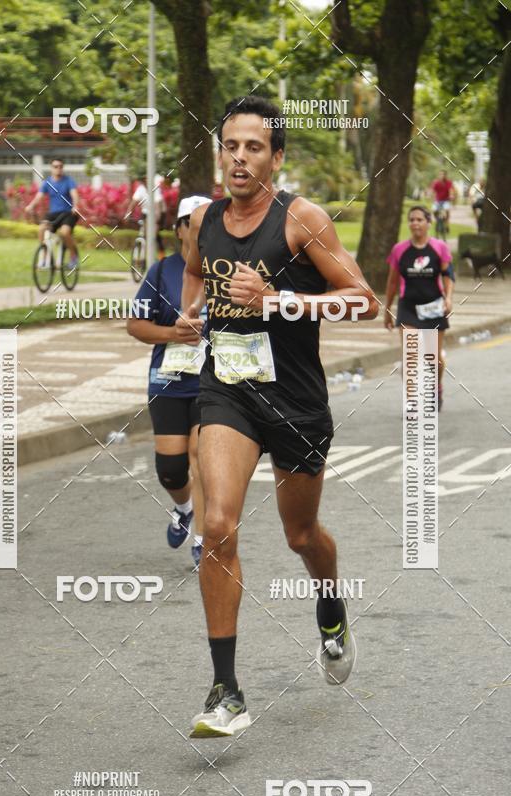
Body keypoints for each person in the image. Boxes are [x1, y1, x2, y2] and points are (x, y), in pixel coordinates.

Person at [176, 95, 378, 738]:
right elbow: (194, 275)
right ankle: (225, 689)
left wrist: (280, 299)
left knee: (300, 536)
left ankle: (329, 605)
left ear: (276, 157)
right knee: (217, 523)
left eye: (254, 147)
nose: (239, 157)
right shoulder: (204, 220)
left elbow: (364, 303)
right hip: (227, 392)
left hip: (293, 400)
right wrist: (187, 319)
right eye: (230, 146)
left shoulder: (303, 220)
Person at [127, 196, 210, 567]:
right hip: (169, 381)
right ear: (179, 230)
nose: (202, 230)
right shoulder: (162, 272)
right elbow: (135, 326)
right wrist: (173, 333)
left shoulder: (226, 269)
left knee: (203, 460)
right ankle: (184, 506)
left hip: (215, 383)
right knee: (171, 469)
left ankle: (204, 540)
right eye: (193, 223)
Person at [384, 206, 454, 411]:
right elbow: (392, 283)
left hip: (433, 305)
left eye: (419, 220)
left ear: (428, 223)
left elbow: (448, 276)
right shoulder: (400, 249)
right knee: (411, 354)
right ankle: (411, 400)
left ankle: (436, 387)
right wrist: (387, 310)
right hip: (408, 306)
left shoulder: (439, 248)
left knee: (434, 358)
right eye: (412, 220)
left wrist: (448, 299)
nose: (415, 223)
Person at [25, 158, 80, 268]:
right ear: (51, 168)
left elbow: (74, 194)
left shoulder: (69, 181)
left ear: (62, 168)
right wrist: (31, 206)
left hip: (68, 213)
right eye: (55, 166)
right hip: (53, 214)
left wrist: (76, 206)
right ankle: (45, 256)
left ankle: (73, 257)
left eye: (60, 166)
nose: (58, 169)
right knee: (41, 229)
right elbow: (39, 197)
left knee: (65, 233)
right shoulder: (47, 183)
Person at [123, 175, 166, 256]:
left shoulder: (156, 189)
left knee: (156, 236)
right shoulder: (140, 189)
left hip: (157, 213)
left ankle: (161, 257)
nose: (145, 182)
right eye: (144, 180)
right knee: (143, 232)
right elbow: (133, 203)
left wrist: (156, 221)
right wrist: (128, 214)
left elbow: (157, 206)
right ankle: (141, 255)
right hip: (146, 213)